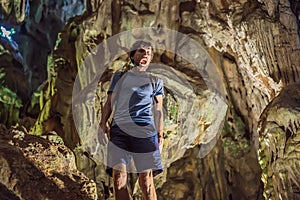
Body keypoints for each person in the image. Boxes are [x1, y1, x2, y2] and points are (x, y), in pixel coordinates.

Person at [98, 40, 164, 200]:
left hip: (145, 131)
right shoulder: (119, 77)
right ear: (133, 56)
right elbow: (109, 103)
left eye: (149, 52)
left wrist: (160, 135)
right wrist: (102, 123)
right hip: (120, 130)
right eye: (141, 51)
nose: (146, 54)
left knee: (146, 181)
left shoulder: (156, 81)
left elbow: (158, 110)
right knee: (118, 177)